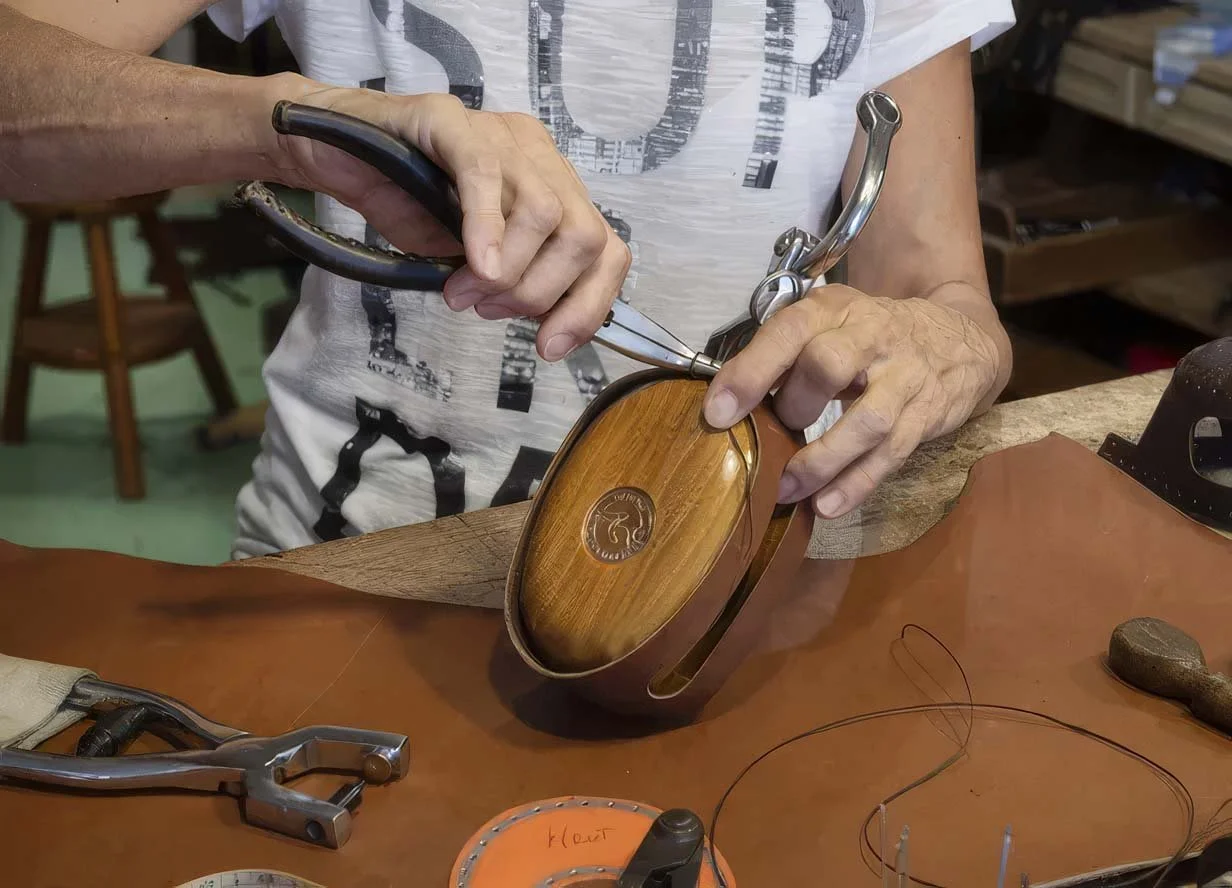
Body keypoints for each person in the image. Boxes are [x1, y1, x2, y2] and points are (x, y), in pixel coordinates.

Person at [1, 0, 1015, 559]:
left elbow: (939, 287)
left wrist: (944, 343)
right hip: (362, 569)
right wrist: (301, 130)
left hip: (729, 584)